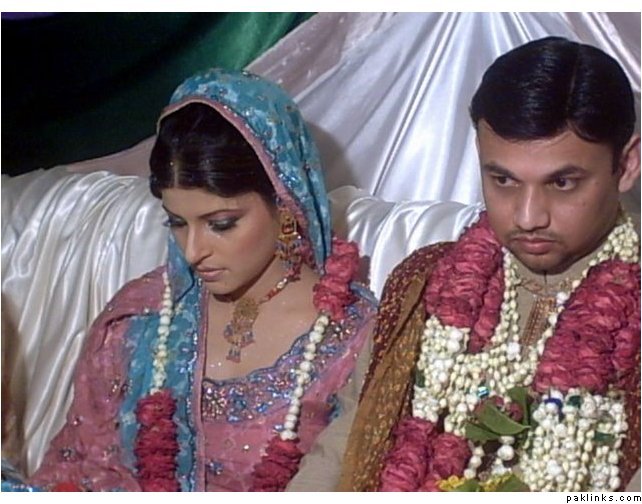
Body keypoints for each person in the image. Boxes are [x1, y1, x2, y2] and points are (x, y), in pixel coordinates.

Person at [15, 68, 376, 491]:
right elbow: (76, 468)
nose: (192, 251)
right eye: (177, 222)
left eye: (220, 224)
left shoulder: (352, 337)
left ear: (284, 202)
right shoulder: (141, 318)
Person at [330, 37, 640, 492]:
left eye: (563, 183)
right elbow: (344, 443)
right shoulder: (426, 286)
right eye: (503, 180)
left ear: (627, 165)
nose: (528, 217)